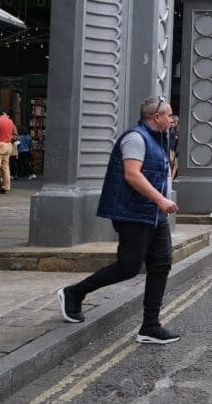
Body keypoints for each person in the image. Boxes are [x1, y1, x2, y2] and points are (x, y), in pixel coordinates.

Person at [57, 96, 181, 344]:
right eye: (168, 115)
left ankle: (150, 326)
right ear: (156, 118)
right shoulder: (135, 138)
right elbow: (132, 175)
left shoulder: (157, 138)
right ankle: (73, 293)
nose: (172, 119)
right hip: (134, 213)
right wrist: (161, 200)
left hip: (154, 214)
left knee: (162, 265)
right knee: (128, 267)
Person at [168, 115, 180, 179]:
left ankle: (171, 178)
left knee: (173, 164)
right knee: (172, 164)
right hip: (170, 149)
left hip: (173, 149)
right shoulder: (169, 128)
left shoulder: (177, 129)